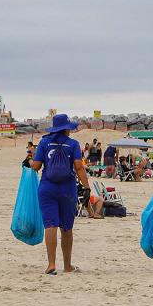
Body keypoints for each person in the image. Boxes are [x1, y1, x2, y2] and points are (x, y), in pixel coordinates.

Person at [28, 113, 92, 274]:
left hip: (47, 188)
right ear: (67, 129)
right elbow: (78, 167)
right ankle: (68, 266)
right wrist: (86, 187)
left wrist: (28, 162)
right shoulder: (73, 144)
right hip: (67, 189)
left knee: (50, 225)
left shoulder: (44, 142)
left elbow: (35, 167)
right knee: (66, 228)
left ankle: (51, 264)